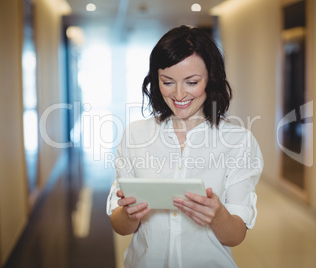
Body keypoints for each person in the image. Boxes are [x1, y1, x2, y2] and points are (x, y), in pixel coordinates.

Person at [107, 25, 263, 268]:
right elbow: (120, 227)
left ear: (211, 79)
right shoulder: (136, 136)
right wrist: (128, 214)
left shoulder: (238, 142)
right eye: (167, 82)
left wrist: (218, 214)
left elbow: (235, 236)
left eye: (191, 82)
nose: (179, 94)